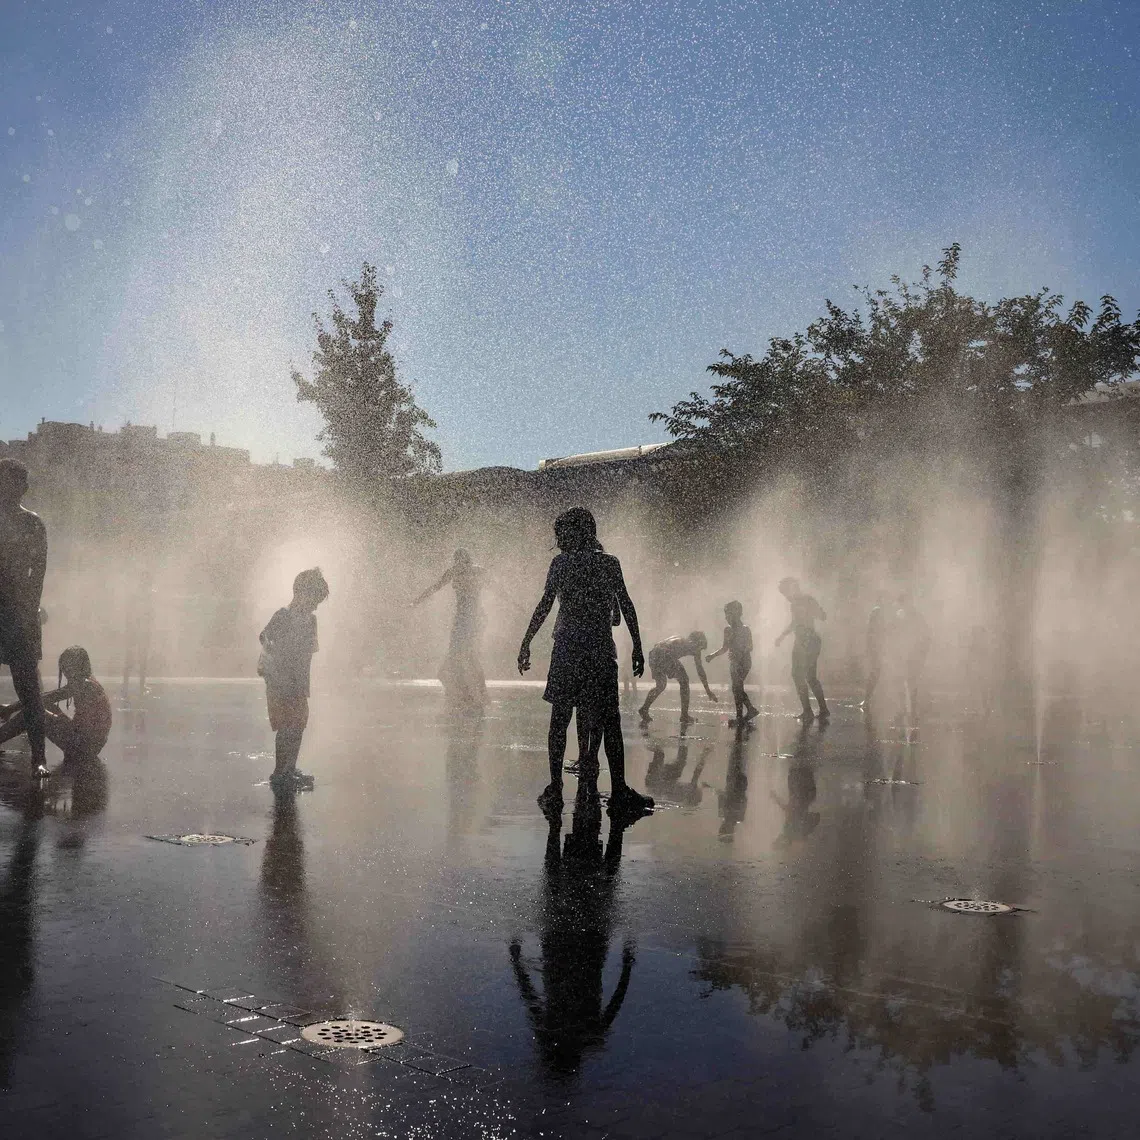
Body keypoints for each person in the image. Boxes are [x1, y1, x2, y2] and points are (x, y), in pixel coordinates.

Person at [518, 507, 653, 820]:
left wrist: (526, 642)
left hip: (567, 649)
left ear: (579, 532)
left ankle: (554, 788)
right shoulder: (608, 563)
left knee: (560, 717)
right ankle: (618, 790)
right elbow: (627, 604)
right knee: (609, 721)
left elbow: (545, 605)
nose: (559, 540)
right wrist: (637, 645)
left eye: (563, 533)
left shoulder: (562, 563)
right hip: (599, 650)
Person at [258, 568, 328, 793]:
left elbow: (308, 653)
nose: (316, 605)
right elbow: (264, 635)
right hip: (279, 681)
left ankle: (290, 768)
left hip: (297, 682)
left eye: (318, 601)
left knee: (299, 723)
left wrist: (304, 682)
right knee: (286, 726)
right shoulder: (283, 616)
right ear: (300, 593)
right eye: (314, 599)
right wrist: (269, 644)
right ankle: (280, 772)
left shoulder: (311, 621)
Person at [0, 459, 47, 775]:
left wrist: (30, 605)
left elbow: (40, 569)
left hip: (20, 611)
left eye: (15, 483)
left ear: (23, 488)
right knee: (28, 685)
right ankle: (39, 757)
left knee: (28, 685)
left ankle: (39, 757)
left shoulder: (32, 523)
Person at [0, 646, 111, 765]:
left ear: (77, 666)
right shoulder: (88, 681)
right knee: (44, 707)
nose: (65, 671)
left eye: (67, 666)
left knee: (33, 712)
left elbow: (41, 699)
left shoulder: (84, 685)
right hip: (89, 745)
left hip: (83, 747)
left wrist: (11, 708)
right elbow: (44, 698)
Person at [413, 549, 488, 711]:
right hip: (469, 618)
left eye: (460, 560)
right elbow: (436, 587)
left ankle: (465, 692)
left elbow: (435, 587)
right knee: (465, 653)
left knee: (462, 653)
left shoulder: (467, 571)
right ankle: (470, 693)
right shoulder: (475, 571)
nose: (459, 563)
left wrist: (417, 601)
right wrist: (417, 601)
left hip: (469, 619)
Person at [774, 577, 829, 722]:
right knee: (807, 677)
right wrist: (782, 636)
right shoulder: (797, 603)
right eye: (783, 594)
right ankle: (819, 710)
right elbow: (794, 623)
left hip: (809, 642)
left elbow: (823, 616)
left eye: (785, 592)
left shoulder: (805, 600)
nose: (785, 597)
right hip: (803, 642)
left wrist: (815, 611)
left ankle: (812, 710)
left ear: (792, 588)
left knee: (801, 676)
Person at [638, 632, 718, 726]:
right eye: (700, 647)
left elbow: (658, 646)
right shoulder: (690, 645)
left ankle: (644, 708)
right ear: (697, 642)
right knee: (684, 681)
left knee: (661, 685)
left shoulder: (679, 639)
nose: (698, 651)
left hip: (654, 654)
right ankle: (684, 715)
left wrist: (707, 690)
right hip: (665, 655)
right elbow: (700, 670)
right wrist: (707, 690)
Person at [706, 601, 759, 725]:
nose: (727, 618)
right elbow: (725, 648)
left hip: (744, 661)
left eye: (729, 614)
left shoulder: (745, 629)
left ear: (738, 614)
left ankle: (743, 714)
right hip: (734, 662)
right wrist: (712, 655)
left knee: (737, 687)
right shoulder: (727, 630)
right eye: (726, 615)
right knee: (737, 688)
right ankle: (746, 712)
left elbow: (750, 646)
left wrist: (740, 652)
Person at [894, 592, 932, 724]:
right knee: (902, 680)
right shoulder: (899, 615)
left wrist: (922, 653)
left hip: (912, 653)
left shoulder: (915, 616)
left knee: (911, 681)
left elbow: (926, 636)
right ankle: (904, 707)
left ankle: (910, 708)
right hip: (902, 653)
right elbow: (893, 634)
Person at [122, 568, 156, 696]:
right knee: (138, 658)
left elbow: (129, 613)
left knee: (135, 658)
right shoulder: (148, 595)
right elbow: (150, 614)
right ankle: (138, 686)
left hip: (137, 629)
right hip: (139, 629)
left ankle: (130, 685)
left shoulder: (137, 594)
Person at [861, 593, 888, 710]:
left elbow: (873, 631)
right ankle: (868, 699)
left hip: (877, 647)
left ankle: (868, 699)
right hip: (876, 647)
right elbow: (874, 631)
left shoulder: (878, 611)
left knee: (875, 672)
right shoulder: (878, 611)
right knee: (876, 672)